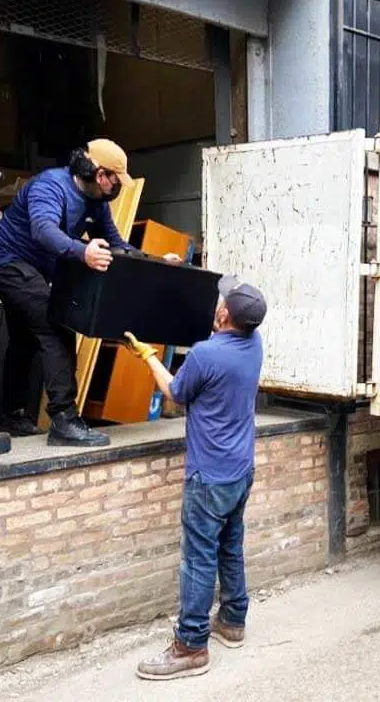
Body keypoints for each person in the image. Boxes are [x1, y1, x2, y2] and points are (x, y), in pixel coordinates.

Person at [124, 274, 267, 681]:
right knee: (230, 545)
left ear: (222, 314)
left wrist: (148, 355)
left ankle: (190, 646)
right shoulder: (253, 343)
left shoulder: (206, 355)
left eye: (220, 302)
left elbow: (175, 391)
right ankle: (233, 621)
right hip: (241, 469)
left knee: (199, 558)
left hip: (209, 476)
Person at [0, 138, 145, 447]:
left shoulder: (96, 203)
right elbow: (44, 231)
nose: (118, 187)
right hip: (7, 264)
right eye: (116, 179)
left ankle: (13, 415)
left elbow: (113, 242)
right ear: (100, 175)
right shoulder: (50, 186)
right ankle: (64, 419)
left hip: (34, 270)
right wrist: (83, 252)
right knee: (55, 324)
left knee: (25, 337)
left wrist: (152, 259)